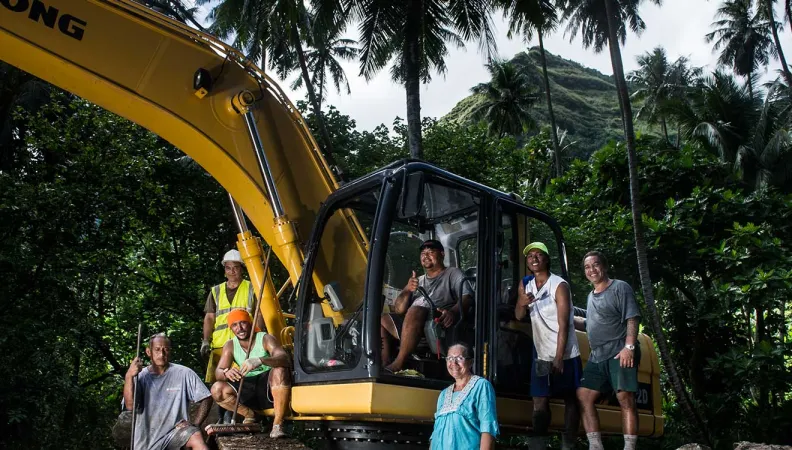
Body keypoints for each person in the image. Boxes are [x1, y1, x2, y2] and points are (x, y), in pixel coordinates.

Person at [514, 242, 581, 450]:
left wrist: (559, 357)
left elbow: (564, 325)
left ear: (547, 259)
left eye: (538, 255)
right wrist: (522, 302)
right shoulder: (525, 283)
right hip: (541, 352)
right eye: (530, 256)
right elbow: (518, 315)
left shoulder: (559, 285)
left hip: (565, 352)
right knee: (540, 399)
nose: (534, 258)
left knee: (571, 398)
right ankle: (539, 444)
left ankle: (568, 444)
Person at [575, 251, 641, 450]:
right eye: (587, 267)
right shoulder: (591, 295)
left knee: (624, 397)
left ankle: (629, 448)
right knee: (584, 395)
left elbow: (632, 317)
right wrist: (564, 318)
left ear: (604, 266)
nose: (591, 270)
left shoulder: (620, 287)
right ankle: (596, 446)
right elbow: (591, 323)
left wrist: (629, 347)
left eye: (595, 265)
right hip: (597, 356)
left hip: (619, 350)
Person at [380, 239, 473, 372]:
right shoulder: (418, 280)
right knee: (383, 319)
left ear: (442, 254)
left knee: (415, 310)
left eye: (431, 252)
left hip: (437, 324)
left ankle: (398, 363)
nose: (426, 255)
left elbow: (467, 297)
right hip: (412, 325)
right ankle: (384, 363)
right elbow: (400, 310)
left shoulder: (453, 273)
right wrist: (407, 290)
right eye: (423, 253)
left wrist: (452, 312)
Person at [209, 309, 292, 439]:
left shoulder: (265, 338)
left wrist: (260, 360)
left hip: (268, 383)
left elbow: (284, 359)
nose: (240, 328)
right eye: (235, 325)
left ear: (250, 323)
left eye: (243, 323)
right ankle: (250, 415)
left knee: (280, 370)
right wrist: (226, 372)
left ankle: (278, 424)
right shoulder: (230, 345)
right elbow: (218, 372)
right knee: (217, 389)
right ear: (231, 328)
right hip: (245, 383)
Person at [124, 333, 212, 450]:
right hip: (146, 440)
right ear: (148, 352)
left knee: (195, 435)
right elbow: (130, 406)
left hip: (175, 434)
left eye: (166, 350)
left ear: (170, 351)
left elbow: (207, 398)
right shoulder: (140, 377)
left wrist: (195, 424)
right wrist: (129, 376)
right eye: (157, 350)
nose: (162, 354)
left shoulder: (184, 373)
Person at [201, 249, 259, 382]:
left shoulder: (251, 288)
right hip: (219, 345)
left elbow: (258, 315)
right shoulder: (216, 291)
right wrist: (205, 340)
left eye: (235, 268)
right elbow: (209, 318)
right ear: (224, 270)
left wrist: (256, 338)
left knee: (240, 381)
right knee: (217, 383)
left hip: (242, 345)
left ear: (241, 269)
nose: (232, 271)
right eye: (228, 268)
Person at [430, 342, 499, 449]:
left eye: (459, 358)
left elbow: (488, 429)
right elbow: (435, 434)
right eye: (449, 358)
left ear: (470, 362)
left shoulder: (481, 386)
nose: (453, 362)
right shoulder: (443, 394)